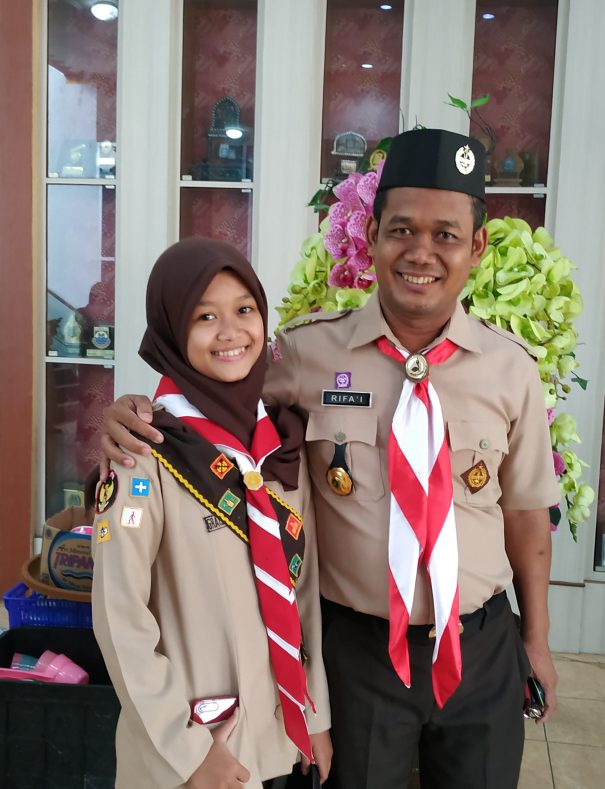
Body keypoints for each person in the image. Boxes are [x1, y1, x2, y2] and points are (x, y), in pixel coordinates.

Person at [99, 128, 559, 789]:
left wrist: (535, 638)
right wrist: (128, 412)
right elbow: (211, 390)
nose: (421, 252)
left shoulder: (511, 369)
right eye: (401, 230)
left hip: (479, 646)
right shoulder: (304, 355)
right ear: (370, 236)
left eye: (446, 235)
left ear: (477, 246)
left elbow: (526, 513)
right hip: (359, 653)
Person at [91, 237, 331, 789]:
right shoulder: (142, 453)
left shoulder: (279, 447)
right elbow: (120, 619)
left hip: (283, 739)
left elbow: (304, 592)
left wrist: (314, 714)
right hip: (199, 750)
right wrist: (188, 751)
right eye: (205, 316)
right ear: (172, 330)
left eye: (244, 310)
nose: (230, 332)